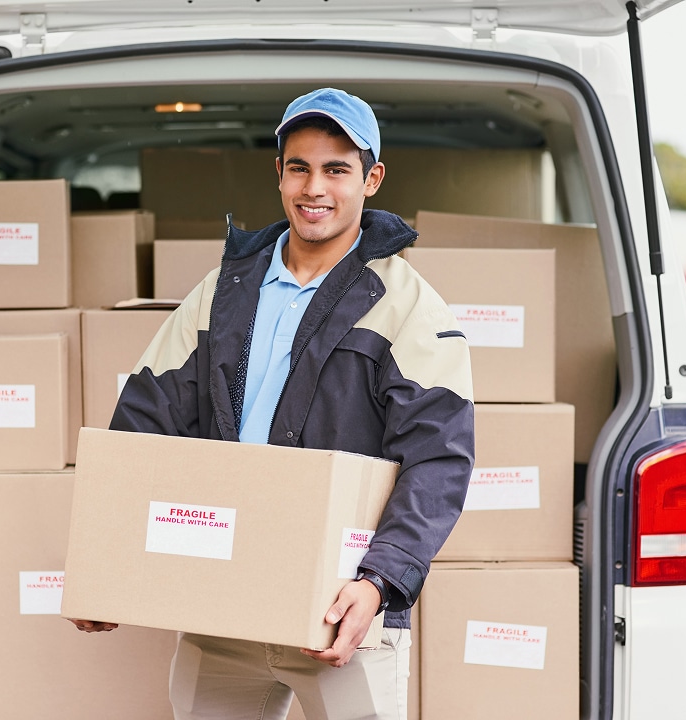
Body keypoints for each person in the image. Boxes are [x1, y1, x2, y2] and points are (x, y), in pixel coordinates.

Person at [70, 87, 475, 720]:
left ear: (372, 180)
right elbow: (144, 422)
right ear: (279, 175)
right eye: (300, 167)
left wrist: (378, 582)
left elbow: (438, 458)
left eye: (337, 169)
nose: (316, 187)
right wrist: (108, 564)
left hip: (339, 606)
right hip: (222, 600)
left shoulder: (408, 306)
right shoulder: (223, 290)